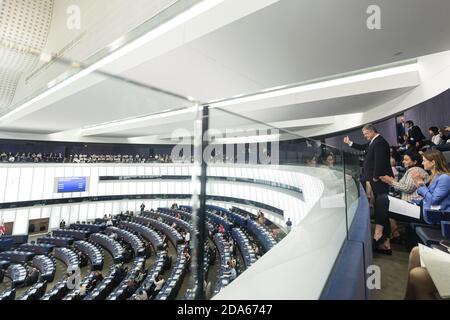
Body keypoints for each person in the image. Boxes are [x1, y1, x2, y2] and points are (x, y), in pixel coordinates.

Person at [344, 124, 393, 254]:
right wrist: (350, 143)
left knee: (382, 208)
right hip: (374, 180)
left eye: (365, 133)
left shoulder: (380, 142)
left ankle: (383, 239)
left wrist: (375, 178)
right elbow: (361, 147)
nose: (364, 136)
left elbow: (379, 162)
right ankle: (383, 241)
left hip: (379, 181)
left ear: (372, 131)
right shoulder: (373, 142)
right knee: (380, 209)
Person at [380, 152, 430, 241]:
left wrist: (390, 182)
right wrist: (393, 182)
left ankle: (387, 237)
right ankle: (393, 235)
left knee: (383, 202)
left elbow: (407, 188)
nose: (403, 161)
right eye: (403, 159)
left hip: (413, 204)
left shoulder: (415, 170)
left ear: (414, 162)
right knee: (384, 202)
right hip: (411, 202)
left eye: (406, 160)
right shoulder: (411, 170)